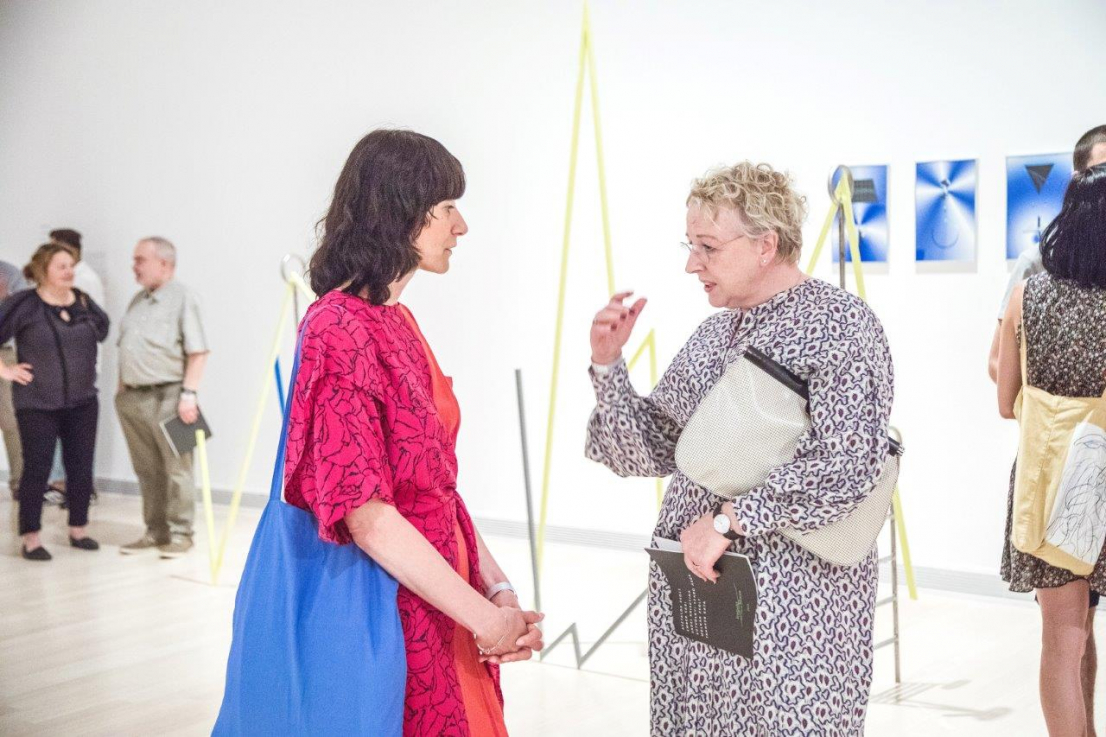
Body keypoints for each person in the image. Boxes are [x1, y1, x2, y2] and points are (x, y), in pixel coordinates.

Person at [585, 162, 894, 734]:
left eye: (707, 247)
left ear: (765, 245)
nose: (691, 264)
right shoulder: (714, 335)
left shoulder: (840, 325)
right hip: (701, 595)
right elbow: (649, 449)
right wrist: (607, 366)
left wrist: (729, 522)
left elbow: (847, 464)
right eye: (690, 246)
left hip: (794, 600)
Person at [284, 129, 544, 734]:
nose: (461, 226)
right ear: (400, 211)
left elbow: (435, 486)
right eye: (447, 207)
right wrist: (484, 617)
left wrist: (495, 588)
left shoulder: (396, 320)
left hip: (443, 595)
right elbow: (364, 513)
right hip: (393, 607)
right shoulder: (336, 326)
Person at [989, 124, 1106, 733]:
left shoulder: (1026, 295)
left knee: (1062, 640)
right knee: (1079, 636)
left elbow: (1005, 403)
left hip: (1048, 480)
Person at [0, 242, 109, 560]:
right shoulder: (24, 304)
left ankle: (78, 529)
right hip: (37, 402)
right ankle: (31, 537)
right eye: (62, 266)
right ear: (43, 270)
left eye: (71, 266)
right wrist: (6, 370)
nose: (69, 271)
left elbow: (102, 331)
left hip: (83, 400)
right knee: (37, 468)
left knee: (81, 466)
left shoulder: (83, 301)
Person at [116, 237, 209, 559]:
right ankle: (155, 531)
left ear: (164, 264)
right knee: (147, 469)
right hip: (133, 398)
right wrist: (121, 390)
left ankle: (181, 533)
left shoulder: (183, 297)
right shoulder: (137, 301)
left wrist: (189, 395)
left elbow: (198, 352)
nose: (134, 266)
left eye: (140, 260)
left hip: (170, 396)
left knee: (178, 470)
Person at [44, 229, 105, 504]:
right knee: (63, 429)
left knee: (78, 433)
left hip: (80, 369)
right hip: (65, 369)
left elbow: (87, 327)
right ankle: (63, 483)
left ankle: (80, 487)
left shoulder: (84, 281)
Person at [0, 258, 28, 498]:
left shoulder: (11, 274)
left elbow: (22, 315)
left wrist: (5, 301)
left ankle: (20, 482)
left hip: (6, 353)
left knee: (11, 420)